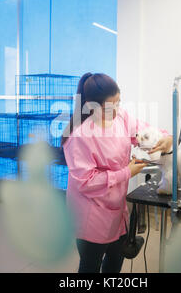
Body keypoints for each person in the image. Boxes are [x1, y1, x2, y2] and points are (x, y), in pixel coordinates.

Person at [61, 73, 172, 273]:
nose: (117, 109)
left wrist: (165, 137)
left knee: (115, 261)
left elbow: (143, 130)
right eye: (110, 106)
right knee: (90, 267)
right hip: (90, 215)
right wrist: (126, 172)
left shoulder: (120, 117)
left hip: (117, 210)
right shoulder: (79, 136)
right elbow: (86, 182)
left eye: (119, 102)